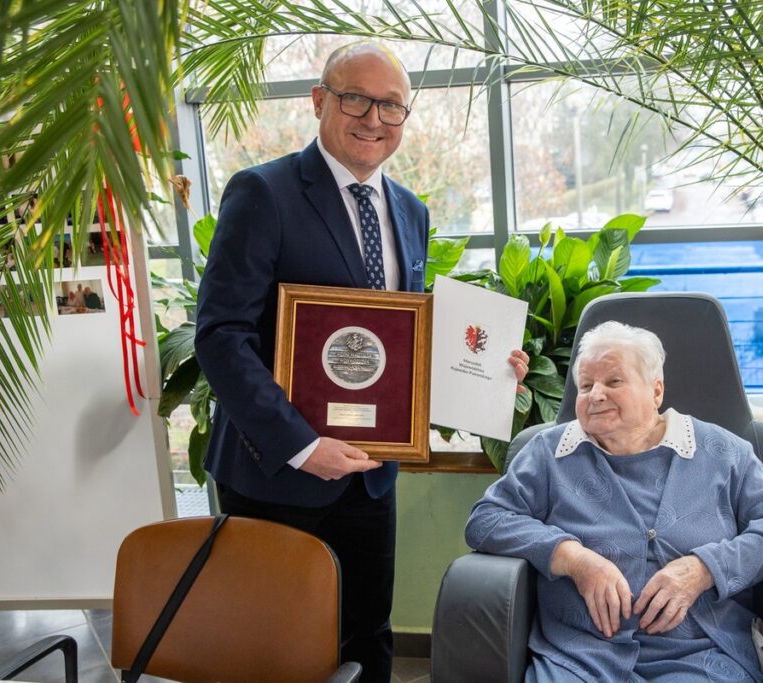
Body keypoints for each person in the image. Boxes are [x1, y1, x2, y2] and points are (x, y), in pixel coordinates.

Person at [195, 42, 525, 683]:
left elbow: (398, 337)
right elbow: (221, 336)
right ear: (319, 100)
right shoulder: (262, 192)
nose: (374, 118)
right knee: (273, 643)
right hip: (275, 473)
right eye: (356, 98)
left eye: (392, 107)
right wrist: (299, 445)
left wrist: (486, 368)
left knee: (367, 633)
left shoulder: (410, 209)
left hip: (372, 472)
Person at [465, 321, 763, 682]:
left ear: (656, 391)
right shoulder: (548, 453)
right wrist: (574, 558)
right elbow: (487, 519)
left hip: (701, 652)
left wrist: (704, 569)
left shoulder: (723, 452)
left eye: (613, 381)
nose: (595, 395)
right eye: (585, 385)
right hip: (580, 654)